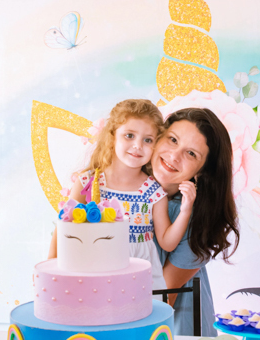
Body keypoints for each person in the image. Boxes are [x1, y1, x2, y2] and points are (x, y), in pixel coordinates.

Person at [48, 99, 194, 292]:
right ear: (112, 137)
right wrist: (50, 267)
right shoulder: (88, 183)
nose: (138, 145)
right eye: (129, 135)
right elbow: (64, 227)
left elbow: (167, 243)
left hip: (138, 280)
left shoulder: (153, 192)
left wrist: (185, 211)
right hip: (95, 272)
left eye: (148, 140)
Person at [151, 107, 239, 336]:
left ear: (202, 172)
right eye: (172, 140)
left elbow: (163, 297)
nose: (174, 156)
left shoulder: (195, 218)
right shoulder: (123, 191)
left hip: (168, 328)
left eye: (191, 154)